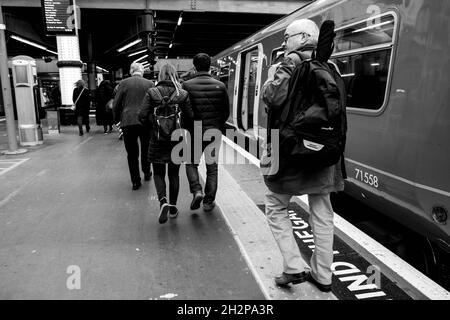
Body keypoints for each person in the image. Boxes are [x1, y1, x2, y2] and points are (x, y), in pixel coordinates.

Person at [261, 19, 345, 292]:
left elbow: (272, 99)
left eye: (287, 37)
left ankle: (294, 267)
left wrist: (275, 76)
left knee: (275, 205)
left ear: (304, 37)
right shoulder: (333, 68)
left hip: (289, 153)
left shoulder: (286, 65)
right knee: (322, 212)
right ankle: (323, 275)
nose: (284, 42)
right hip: (324, 153)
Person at [139, 63, 194, 224]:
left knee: (158, 173)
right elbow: (190, 116)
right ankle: (173, 207)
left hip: (157, 139)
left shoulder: (152, 92)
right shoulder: (182, 94)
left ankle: (163, 201)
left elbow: (142, 115)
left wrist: (155, 125)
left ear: (160, 75)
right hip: (177, 139)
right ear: (175, 75)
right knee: (174, 174)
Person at [181, 53, 230, 212]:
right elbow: (225, 112)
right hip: (214, 131)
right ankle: (209, 202)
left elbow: (185, 111)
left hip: (195, 131)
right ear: (210, 66)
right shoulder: (220, 85)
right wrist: (217, 124)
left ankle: (196, 190)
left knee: (191, 163)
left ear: (194, 67)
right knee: (212, 168)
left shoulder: (186, 85)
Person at [113, 63, 155, 190]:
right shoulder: (150, 84)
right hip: (145, 122)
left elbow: (116, 104)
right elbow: (153, 104)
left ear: (131, 71)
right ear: (142, 71)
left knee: (131, 153)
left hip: (128, 121)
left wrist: (116, 120)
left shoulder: (124, 83)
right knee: (146, 149)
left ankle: (135, 181)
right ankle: (147, 173)